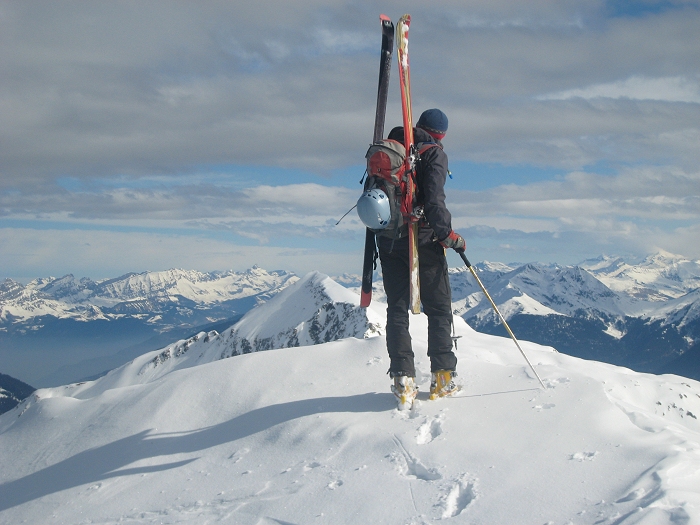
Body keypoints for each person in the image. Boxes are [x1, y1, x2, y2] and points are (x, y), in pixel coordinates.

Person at [377, 108, 465, 407]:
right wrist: (449, 237)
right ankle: (442, 378)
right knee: (439, 308)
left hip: (388, 237)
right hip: (423, 239)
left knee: (397, 308)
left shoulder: (393, 147)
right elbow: (435, 201)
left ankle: (403, 380)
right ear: (441, 133)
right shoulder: (433, 153)